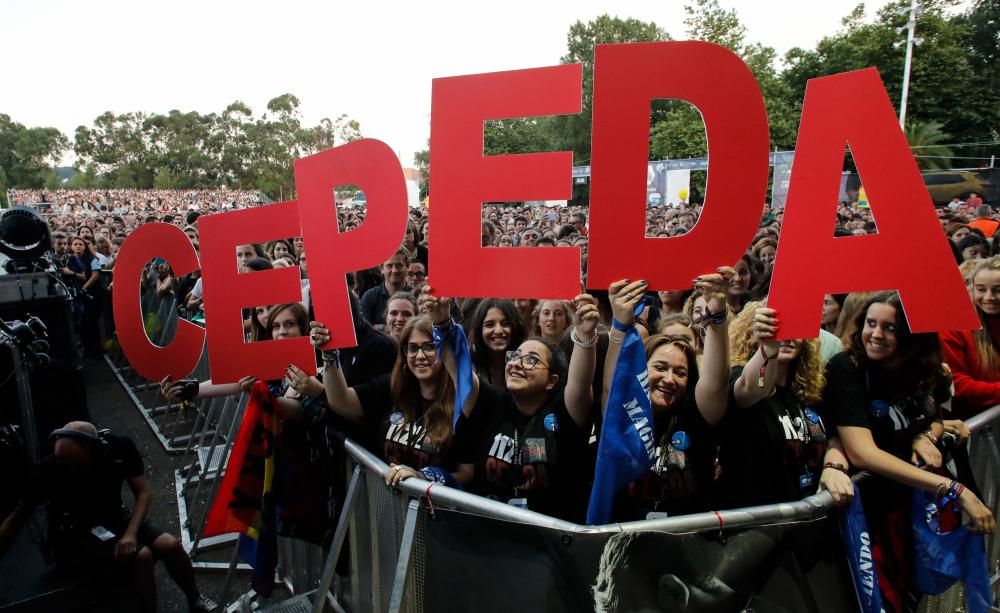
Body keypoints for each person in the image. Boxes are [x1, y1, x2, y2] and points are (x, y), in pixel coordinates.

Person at [826, 292, 994, 612]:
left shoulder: (914, 366)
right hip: (870, 518)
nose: (876, 334)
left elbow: (931, 419)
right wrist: (954, 489)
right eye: (871, 323)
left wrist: (925, 436)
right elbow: (863, 453)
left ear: (910, 335)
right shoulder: (847, 367)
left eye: (890, 327)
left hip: (908, 513)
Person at [0, 422, 216, 613]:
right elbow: (15, 520)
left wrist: (131, 533)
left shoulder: (118, 449)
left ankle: (195, 598)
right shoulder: (46, 470)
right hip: (75, 531)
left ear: (94, 450)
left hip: (115, 518)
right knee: (143, 557)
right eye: (63, 463)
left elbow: (143, 493)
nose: (70, 470)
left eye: (76, 464)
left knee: (170, 545)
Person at [448, 291, 600, 521]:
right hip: (491, 540)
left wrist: (585, 333)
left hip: (549, 546)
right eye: (515, 356)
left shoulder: (564, 411)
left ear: (552, 381)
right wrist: (441, 323)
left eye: (531, 360)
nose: (516, 364)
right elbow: (460, 373)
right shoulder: (493, 404)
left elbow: (580, 383)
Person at [601, 270, 733, 520]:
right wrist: (619, 322)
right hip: (623, 546)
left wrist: (717, 310)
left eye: (680, 372)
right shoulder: (624, 411)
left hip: (687, 549)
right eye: (660, 368)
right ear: (642, 370)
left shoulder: (695, 416)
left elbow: (717, 382)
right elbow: (611, 385)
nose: (669, 379)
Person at [309, 314, 476, 488]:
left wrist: (423, 478)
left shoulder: (462, 400)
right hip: (387, 505)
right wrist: (329, 353)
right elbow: (340, 400)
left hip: (436, 510)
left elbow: (467, 474)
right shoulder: (392, 387)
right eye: (412, 348)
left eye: (429, 347)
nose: (420, 355)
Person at [719, 302, 854, 508]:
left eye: (793, 328)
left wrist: (833, 466)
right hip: (758, 527)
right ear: (753, 333)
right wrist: (769, 347)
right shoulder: (745, 378)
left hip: (809, 521)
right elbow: (756, 387)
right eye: (775, 329)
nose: (786, 336)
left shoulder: (810, 391)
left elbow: (836, 437)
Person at [940, 256, 1000, 418]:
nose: (989, 297)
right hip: (974, 424)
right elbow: (958, 385)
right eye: (981, 289)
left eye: (997, 290)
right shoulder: (953, 326)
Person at [470, 299, 528, 389]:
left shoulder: (528, 365)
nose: (498, 331)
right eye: (489, 325)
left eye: (505, 324)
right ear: (479, 329)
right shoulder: (469, 367)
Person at [361, 250, 410, 325]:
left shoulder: (416, 295)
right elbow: (366, 331)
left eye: (399, 265)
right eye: (389, 266)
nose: (394, 270)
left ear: (407, 268)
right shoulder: (370, 296)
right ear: (382, 269)